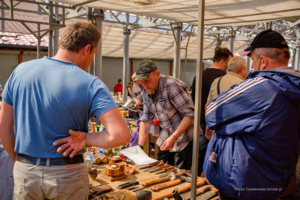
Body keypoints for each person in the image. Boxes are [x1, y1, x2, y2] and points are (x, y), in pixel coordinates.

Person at [0, 21, 130, 200]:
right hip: (66, 174)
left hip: (26, 170)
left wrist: (18, 160)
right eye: (94, 53)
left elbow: (4, 127)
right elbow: (121, 135)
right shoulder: (91, 83)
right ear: (87, 50)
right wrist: (86, 139)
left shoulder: (20, 72)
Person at [203, 29, 300, 200]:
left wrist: (228, 125)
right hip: (270, 180)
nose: (252, 67)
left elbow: (212, 112)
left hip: (243, 184)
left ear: (262, 61)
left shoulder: (262, 87)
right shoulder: (292, 87)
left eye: (253, 60)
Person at [136, 60, 196, 170]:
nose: (145, 85)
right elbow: (146, 119)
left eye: (148, 80)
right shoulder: (147, 89)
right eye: (142, 82)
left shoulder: (172, 86)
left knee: (179, 173)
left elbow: (190, 114)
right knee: (161, 167)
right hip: (167, 134)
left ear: (157, 74)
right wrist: (140, 146)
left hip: (184, 137)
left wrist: (174, 137)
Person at [191, 47, 233, 176]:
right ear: (222, 62)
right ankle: (212, 182)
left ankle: (194, 180)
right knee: (216, 154)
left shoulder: (199, 75)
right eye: (229, 63)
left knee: (199, 153)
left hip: (201, 121)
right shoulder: (224, 78)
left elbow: (193, 99)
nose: (229, 67)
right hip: (217, 123)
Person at [205, 56, 248, 140]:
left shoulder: (217, 81)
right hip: (236, 133)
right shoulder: (244, 85)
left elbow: (208, 105)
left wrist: (208, 124)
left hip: (218, 130)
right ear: (242, 69)